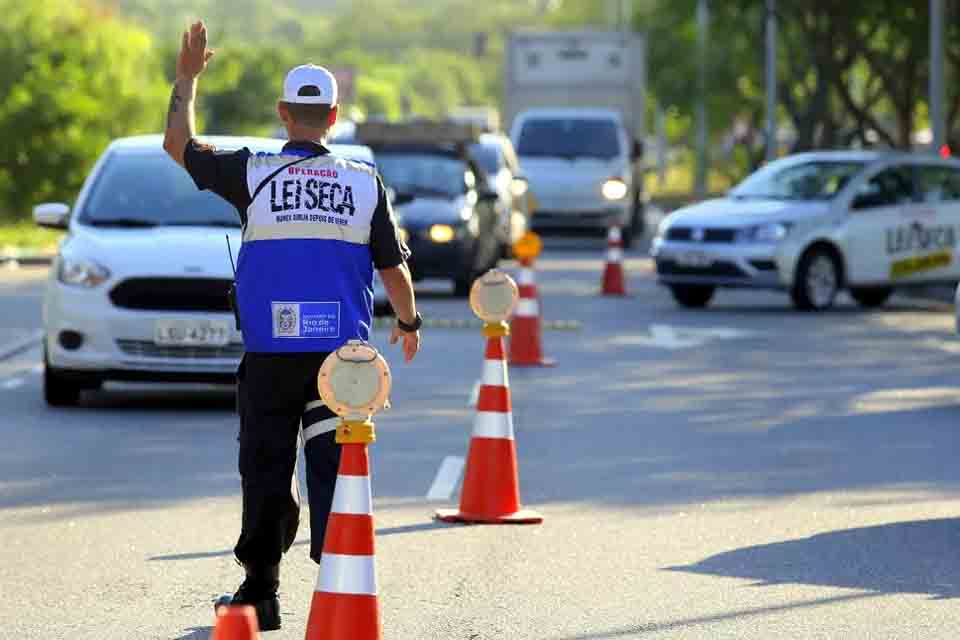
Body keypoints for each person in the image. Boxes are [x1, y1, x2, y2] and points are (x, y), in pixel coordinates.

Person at [163, 21, 422, 631]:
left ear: (284, 114)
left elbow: (178, 144)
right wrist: (409, 323)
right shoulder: (363, 182)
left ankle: (260, 591)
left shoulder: (253, 173)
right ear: (333, 116)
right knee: (336, 466)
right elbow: (393, 269)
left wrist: (187, 78)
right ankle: (338, 587)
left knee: (264, 464)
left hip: (272, 355)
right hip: (343, 362)